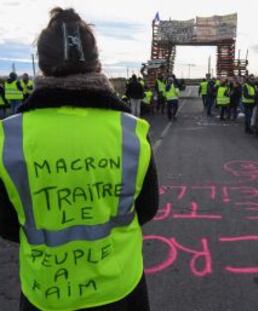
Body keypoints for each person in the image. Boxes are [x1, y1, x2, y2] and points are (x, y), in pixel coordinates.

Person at [0, 8, 159, 311]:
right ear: (95, 63)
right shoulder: (131, 131)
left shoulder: (8, 137)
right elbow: (147, 209)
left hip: (46, 290)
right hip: (121, 287)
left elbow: (7, 226)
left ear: (43, 64)